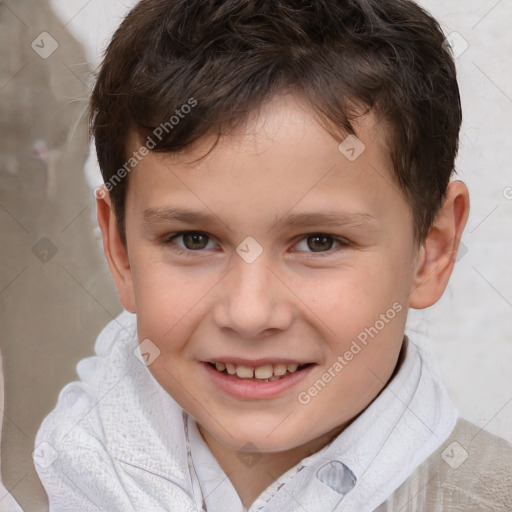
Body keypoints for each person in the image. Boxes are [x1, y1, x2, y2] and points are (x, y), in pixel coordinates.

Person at [34, 0, 512, 510]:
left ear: (432, 251)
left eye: (319, 242)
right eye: (193, 239)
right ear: (120, 249)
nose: (250, 313)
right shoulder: (46, 481)